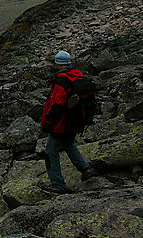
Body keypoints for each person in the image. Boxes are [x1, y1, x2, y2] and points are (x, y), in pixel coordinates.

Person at [39, 50, 97, 193]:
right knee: (68, 144)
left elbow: (57, 103)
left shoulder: (62, 80)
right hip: (75, 121)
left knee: (50, 151)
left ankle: (57, 184)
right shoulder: (77, 76)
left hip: (61, 124)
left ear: (58, 63)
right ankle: (85, 169)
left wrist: (48, 122)